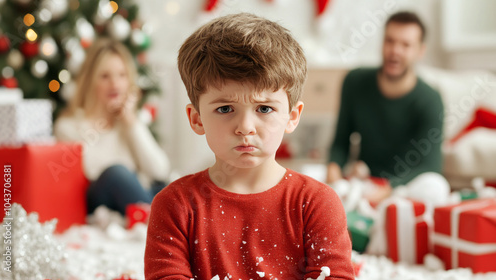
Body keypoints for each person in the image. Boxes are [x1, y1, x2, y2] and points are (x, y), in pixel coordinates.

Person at [145, 13, 354, 280]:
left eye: (264, 108)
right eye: (225, 108)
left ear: (292, 117)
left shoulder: (317, 204)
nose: (245, 126)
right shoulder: (174, 206)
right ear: (196, 119)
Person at [327, 11, 445, 204]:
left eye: (405, 45)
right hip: (363, 182)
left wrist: (388, 191)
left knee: (436, 186)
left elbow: (430, 166)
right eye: (390, 41)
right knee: (302, 178)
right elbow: (341, 141)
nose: (395, 50)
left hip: (401, 189)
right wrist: (333, 171)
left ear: (420, 51)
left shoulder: (431, 99)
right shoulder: (354, 81)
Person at [54, 38, 170, 216]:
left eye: (122, 75)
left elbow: (160, 171)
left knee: (168, 189)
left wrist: (131, 123)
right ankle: (162, 224)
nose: (115, 84)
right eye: (105, 76)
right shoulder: (68, 126)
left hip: (133, 196)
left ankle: (163, 221)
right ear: (90, 81)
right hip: (99, 199)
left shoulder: (130, 123)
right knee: (117, 174)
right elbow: (92, 170)